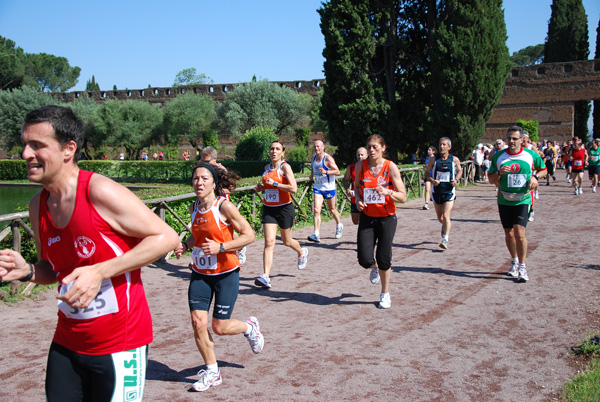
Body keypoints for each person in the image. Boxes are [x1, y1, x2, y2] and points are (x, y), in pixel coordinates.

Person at [0, 105, 180, 401]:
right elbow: (53, 270)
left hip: (120, 345)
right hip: (67, 341)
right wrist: (29, 271)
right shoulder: (38, 205)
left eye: (37, 145)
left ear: (68, 149)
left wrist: (100, 271)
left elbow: (166, 237)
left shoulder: (98, 191)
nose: (25, 154)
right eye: (24, 145)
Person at [173, 163, 262, 392]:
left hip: (226, 274)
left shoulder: (224, 207)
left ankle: (249, 328)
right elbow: (198, 236)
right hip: (200, 274)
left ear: (214, 183)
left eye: (204, 178)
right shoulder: (194, 207)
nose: (199, 182)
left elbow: (249, 235)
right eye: (195, 178)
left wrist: (222, 247)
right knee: (198, 322)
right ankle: (212, 372)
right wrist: (186, 244)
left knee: (220, 327)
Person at [488, 126, 547, 283]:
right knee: (509, 233)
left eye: (515, 138)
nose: (511, 141)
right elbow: (490, 179)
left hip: (523, 198)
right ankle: (514, 261)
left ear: (522, 140)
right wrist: (499, 174)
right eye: (509, 138)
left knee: (519, 232)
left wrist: (535, 177)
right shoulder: (499, 157)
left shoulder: (530, 155)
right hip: (504, 198)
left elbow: (544, 170)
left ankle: (522, 266)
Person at [355, 134, 407, 309]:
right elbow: (356, 187)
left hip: (386, 218)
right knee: (364, 259)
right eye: (369, 147)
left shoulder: (390, 167)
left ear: (383, 148)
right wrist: (358, 200)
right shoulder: (360, 166)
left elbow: (403, 196)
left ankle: (385, 293)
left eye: (375, 147)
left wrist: (388, 192)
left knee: (385, 258)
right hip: (368, 217)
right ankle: (374, 266)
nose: (371, 150)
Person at [254, 140, 308, 288]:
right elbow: (268, 186)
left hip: (285, 208)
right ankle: (266, 276)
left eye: (277, 149)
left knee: (287, 241)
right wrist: (261, 187)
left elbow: (294, 188)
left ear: (282, 152)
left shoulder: (285, 167)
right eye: (272, 149)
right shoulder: (266, 168)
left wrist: (276, 184)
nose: (274, 151)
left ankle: (301, 252)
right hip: (269, 208)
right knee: (269, 242)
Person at [200, 146, 246, 264]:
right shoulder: (204, 171)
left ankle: (240, 247)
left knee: (226, 230)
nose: (204, 164)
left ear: (214, 159)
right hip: (208, 204)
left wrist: (215, 192)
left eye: (207, 161)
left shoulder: (222, 170)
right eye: (202, 161)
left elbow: (230, 189)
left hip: (221, 205)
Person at [425, 137, 463, 250]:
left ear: (449, 147)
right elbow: (427, 173)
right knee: (440, 217)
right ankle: (444, 226)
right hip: (436, 191)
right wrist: (432, 181)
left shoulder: (454, 160)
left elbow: (460, 170)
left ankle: (445, 239)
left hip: (449, 191)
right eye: (440, 144)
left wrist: (456, 180)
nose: (441, 147)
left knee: (446, 215)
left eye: (444, 145)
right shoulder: (433, 160)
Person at [307, 140, 343, 242]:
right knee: (316, 210)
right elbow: (313, 167)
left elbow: (338, 171)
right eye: (315, 146)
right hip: (318, 188)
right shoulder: (313, 158)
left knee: (332, 210)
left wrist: (326, 171)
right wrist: (311, 174)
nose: (316, 148)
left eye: (318, 146)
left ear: (323, 147)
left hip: (329, 188)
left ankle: (339, 225)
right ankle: (316, 234)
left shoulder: (328, 158)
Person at [342, 147, 368, 225]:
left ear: (367, 155)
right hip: (355, 197)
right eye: (358, 155)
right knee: (355, 221)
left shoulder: (371, 166)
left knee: (368, 220)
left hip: (368, 197)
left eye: (362, 155)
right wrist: (347, 189)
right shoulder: (351, 167)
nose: (360, 157)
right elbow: (345, 179)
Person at [422, 146, 437, 210]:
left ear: (433, 151)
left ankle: (435, 200)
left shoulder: (436, 158)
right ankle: (426, 203)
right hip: (428, 175)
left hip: (434, 176)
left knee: (435, 190)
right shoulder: (427, 158)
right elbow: (426, 165)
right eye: (428, 150)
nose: (428, 151)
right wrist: (425, 166)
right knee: (427, 189)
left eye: (430, 150)